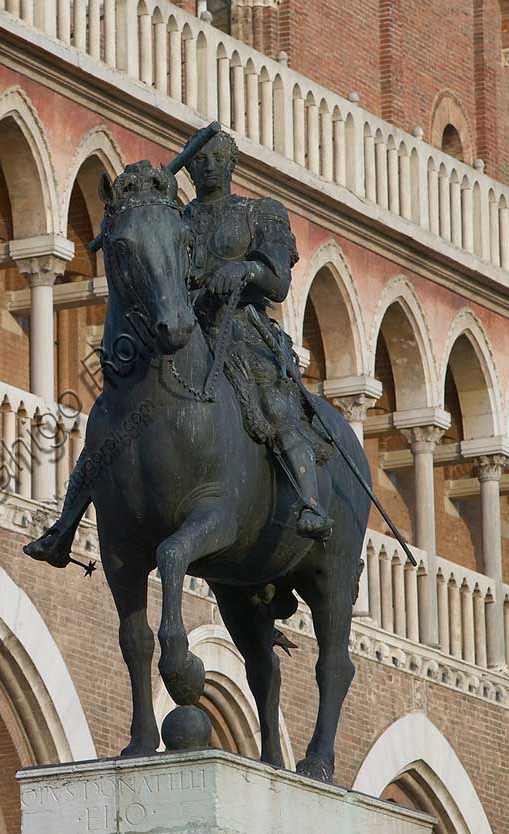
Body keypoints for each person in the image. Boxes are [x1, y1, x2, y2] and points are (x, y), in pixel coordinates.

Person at [25, 126, 331, 570]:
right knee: (114, 410)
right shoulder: (176, 217)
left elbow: (279, 282)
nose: (207, 167)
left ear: (231, 163)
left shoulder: (258, 212)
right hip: (185, 323)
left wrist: (244, 271)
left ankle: (308, 502)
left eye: (215, 158)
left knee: (274, 403)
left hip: (241, 327)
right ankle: (64, 526)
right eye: (200, 160)